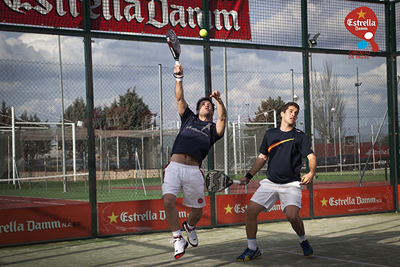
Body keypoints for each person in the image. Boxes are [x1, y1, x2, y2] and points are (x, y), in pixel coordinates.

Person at [236, 102, 316, 261]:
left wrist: (311, 172)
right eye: (291, 111)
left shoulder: (300, 136)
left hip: (292, 184)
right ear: (282, 113)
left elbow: (311, 156)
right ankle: (252, 249)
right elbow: (262, 157)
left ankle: (303, 241)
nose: (293, 114)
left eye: (296, 113)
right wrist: (248, 176)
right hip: (270, 183)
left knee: (292, 216)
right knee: (251, 211)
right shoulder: (270, 134)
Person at [162, 63, 227, 260]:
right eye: (204, 103)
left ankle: (189, 226)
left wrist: (219, 100)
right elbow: (179, 97)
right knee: (168, 201)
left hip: (193, 171)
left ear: (212, 111)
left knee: (197, 211)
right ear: (198, 108)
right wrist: (178, 77)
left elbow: (223, 120)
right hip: (174, 167)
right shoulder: (188, 118)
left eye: (210, 105)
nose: (207, 105)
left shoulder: (213, 129)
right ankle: (177, 238)